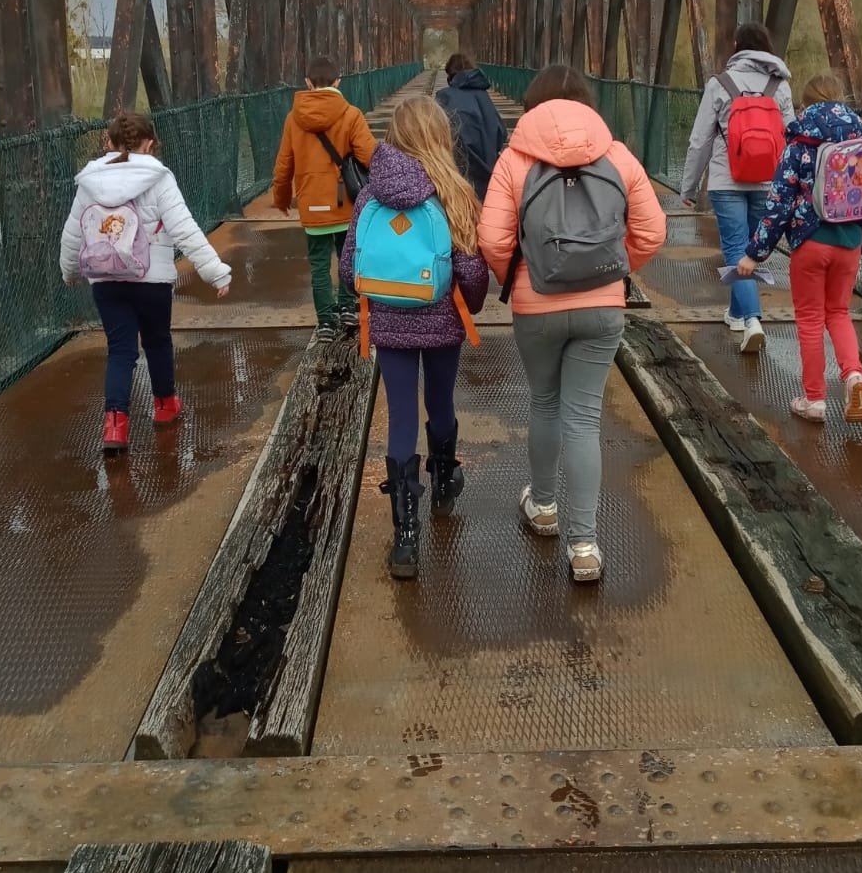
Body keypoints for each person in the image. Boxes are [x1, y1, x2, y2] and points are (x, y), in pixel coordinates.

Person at [479, 65, 667, 583]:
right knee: (583, 418)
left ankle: (543, 508)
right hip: (603, 308)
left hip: (535, 304)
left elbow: (493, 240)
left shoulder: (513, 159)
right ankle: (584, 547)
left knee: (543, 403)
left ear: (534, 104)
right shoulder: (619, 154)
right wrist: (612, 269)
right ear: (588, 102)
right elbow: (652, 232)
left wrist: (519, 277)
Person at [340, 96, 490, 581]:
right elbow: (471, 270)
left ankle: (406, 538)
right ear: (440, 134)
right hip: (442, 321)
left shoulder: (369, 194)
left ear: (395, 135)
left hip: (388, 326)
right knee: (440, 404)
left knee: (401, 417)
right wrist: (471, 302)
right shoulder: (454, 190)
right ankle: (444, 486)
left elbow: (349, 271)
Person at [60, 111, 231, 453]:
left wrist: (70, 272)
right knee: (157, 342)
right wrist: (215, 271)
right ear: (150, 143)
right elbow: (184, 228)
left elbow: (73, 233)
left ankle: (115, 426)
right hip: (152, 279)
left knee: (120, 351)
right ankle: (165, 406)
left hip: (106, 278)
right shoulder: (159, 178)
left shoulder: (90, 181)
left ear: (107, 143)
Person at [736, 73, 862, 424]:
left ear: (805, 105)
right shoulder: (861, 144)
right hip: (850, 242)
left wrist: (754, 253)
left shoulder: (799, 144)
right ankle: (854, 376)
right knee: (838, 314)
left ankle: (815, 400)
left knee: (810, 320)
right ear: (842, 101)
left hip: (810, 242)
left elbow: (778, 205)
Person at [680, 21, 794, 355]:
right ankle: (735, 312)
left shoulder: (720, 84)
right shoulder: (780, 85)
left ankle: (752, 320)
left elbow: (699, 141)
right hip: (766, 180)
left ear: (736, 46)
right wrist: (788, 186)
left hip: (725, 180)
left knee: (735, 248)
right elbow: (790, 138)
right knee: (751, 249)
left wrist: (688, 189)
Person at [272, 56, 377, 342]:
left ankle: (327, 322)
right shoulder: (351, 114)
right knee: (348, 255)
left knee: (319, 264)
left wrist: (281, 198)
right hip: (344, 201)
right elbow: (369, 156)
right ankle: (347, 307)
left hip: (311, 204)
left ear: (307, 83)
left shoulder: (294, 119)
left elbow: (284, 165)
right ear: (338, 81)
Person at [436, 51, 507, 199]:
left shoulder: (445, 97)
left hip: (460, 175)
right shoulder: (484, 96)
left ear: (450, 74)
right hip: (490, 174)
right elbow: (501, 132)